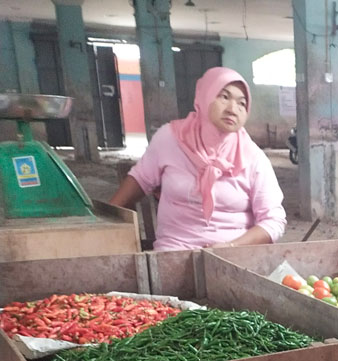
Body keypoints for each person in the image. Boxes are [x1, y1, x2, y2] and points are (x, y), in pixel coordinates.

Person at [110, 67, 287, 251]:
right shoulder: (169, 139)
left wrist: (230, 246)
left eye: (242, 103)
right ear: (205, 96)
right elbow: (141, 179)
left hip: (233, 257)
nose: (233, 110)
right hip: (174, 251)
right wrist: (105, 219)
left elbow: (273, 221)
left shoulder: (253, 157)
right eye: (224, 97)